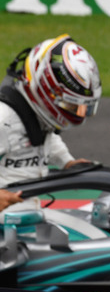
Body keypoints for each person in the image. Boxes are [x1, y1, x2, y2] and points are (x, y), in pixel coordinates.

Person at [0, 33, 100, 208]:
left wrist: (67, 162)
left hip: (24, 218)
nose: (77, 113)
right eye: (72, 106)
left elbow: (47, 138)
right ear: (47, 89)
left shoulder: (35, 115)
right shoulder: (4, 119)